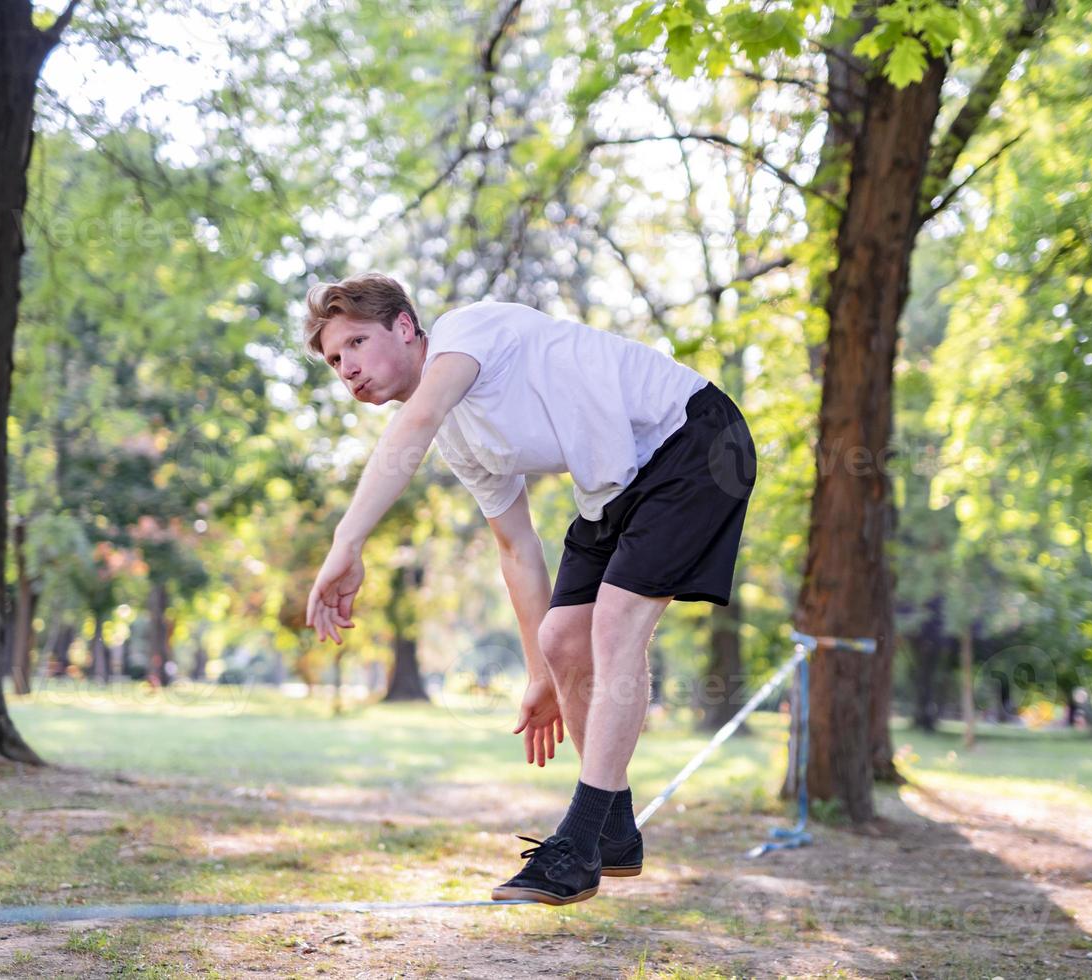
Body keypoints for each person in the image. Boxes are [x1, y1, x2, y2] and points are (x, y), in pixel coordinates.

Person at [303, 272, 756, 906]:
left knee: (615, 624)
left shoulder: (467, 334)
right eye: (333, 359)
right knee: (561, 639)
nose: (347, 367)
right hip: (617, 480)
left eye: (355, 342)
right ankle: (617, 832)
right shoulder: (460, 439)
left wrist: (346, 543)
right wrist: (540, 675)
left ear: (405, 326)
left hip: (698, 440)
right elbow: (516, 548)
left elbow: (417, 423)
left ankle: (579, 846)